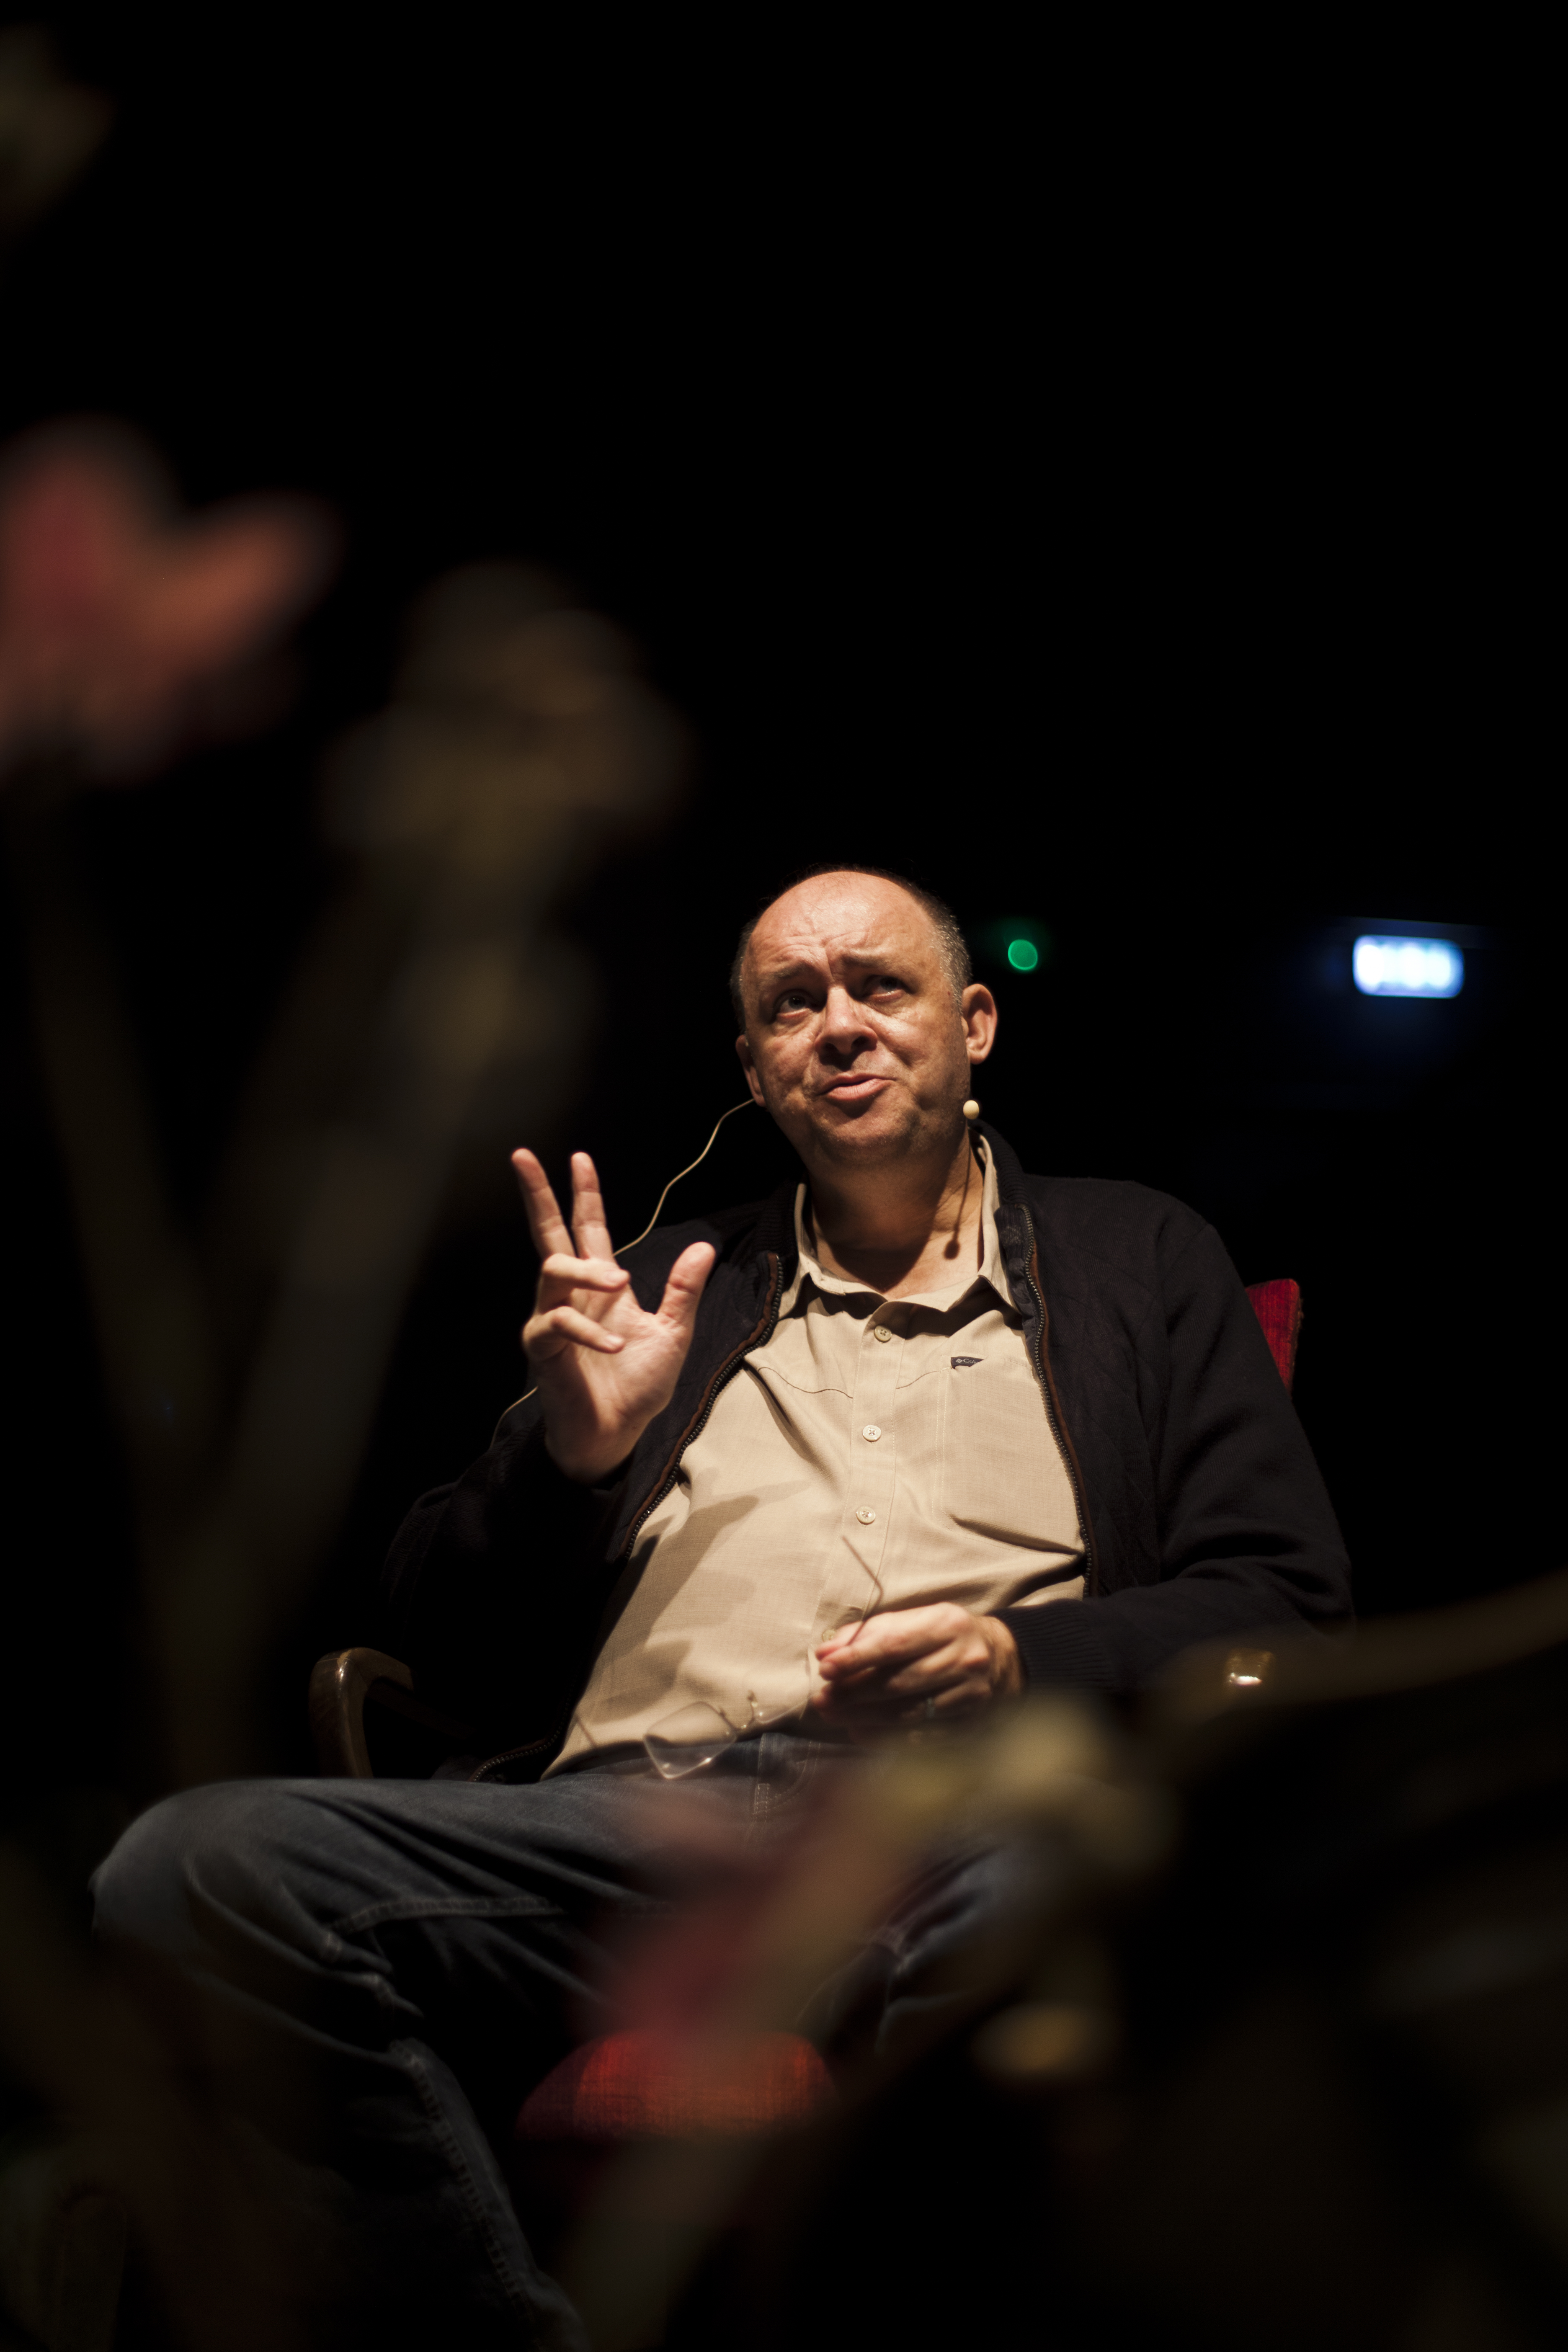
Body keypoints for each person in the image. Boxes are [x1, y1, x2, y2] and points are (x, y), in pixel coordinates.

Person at [93, 865, 1351, 2349]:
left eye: (880, 986)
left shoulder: (1137, 1257)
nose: (841, 1026)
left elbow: (1282, 1603)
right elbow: (438, 1634)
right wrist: (571, 1461)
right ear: (754, 1069)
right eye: (792, 1005)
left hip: (958, 1824)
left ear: (975, 1025)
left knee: (1050, 1908)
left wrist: (1019, 1656)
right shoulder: (664, 1290)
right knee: (190, 1870)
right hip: (639, 1833)